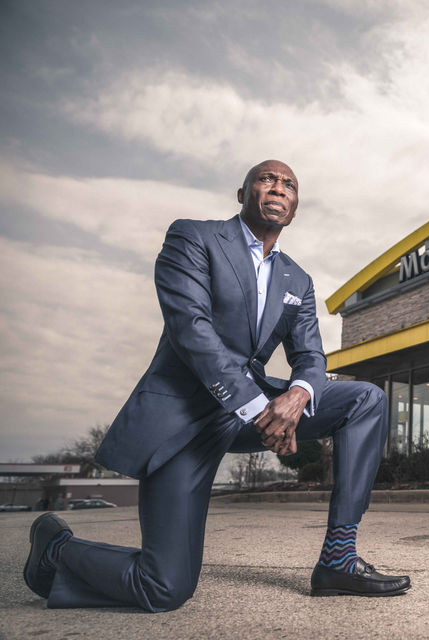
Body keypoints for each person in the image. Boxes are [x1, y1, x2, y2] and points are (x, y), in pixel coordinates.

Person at [23, 160, 409, 611]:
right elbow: (191, 329)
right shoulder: (193, 238)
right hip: (186, 419)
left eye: (289, 184)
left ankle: (338, 560)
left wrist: (299, 395)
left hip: (250, 415)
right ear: (242, 193)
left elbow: (310, 356)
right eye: (267, 179)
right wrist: (262, 410)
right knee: (163, 588)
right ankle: (55, 549)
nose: (278, 188)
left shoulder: (297, 280)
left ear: (295, 206)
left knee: (366, 398)